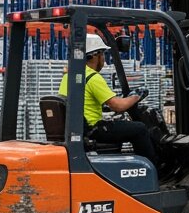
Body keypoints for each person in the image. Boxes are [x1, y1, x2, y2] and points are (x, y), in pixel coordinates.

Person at [59, 33, 155, 162]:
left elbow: (84, 101)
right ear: (95, 55)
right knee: (140, 129)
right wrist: (137, 96)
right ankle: (152, 169)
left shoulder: (69, 76)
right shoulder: (92, 77)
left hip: (80, 128)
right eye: (103, 54)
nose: (104, 59)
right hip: (94, 129)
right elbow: (118, 106)